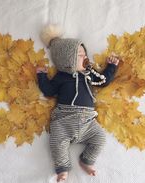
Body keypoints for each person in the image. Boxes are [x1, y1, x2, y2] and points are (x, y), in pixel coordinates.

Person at [36, 25, 119, 182]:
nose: (85, 56)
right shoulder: (61, 77)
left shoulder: (89, 74)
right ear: (67, 60)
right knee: (57, 143)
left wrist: (111, 67)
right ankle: (63, 170)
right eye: (80, 55)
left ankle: (86, 160)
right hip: (64, 120)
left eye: (84, 53)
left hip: (88, 121)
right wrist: (42, 76)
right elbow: (48, 90)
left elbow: (104, 81)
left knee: (100, 138)